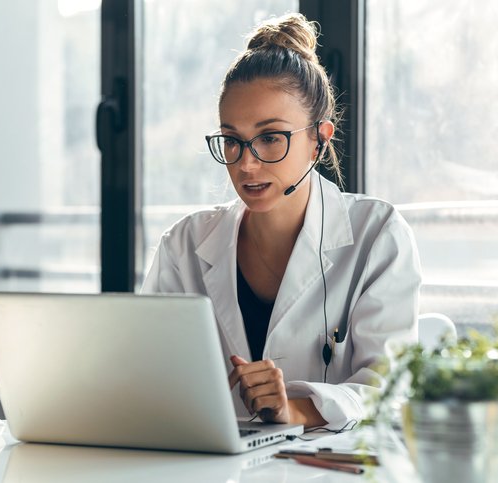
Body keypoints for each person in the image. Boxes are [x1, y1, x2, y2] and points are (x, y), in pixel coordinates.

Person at [141, 13, 421, 430]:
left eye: (270, 137)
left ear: (319, 139)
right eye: (232, 140)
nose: (247, 164)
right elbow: (143, 377)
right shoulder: (182, 244)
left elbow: (393, 391)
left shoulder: (377, 234)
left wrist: (296, 409)